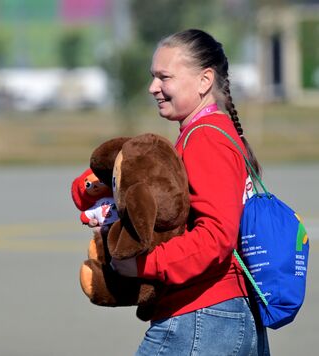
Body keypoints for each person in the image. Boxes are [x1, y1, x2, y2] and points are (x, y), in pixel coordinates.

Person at [109, 29, 270, 355]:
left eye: (163, 77)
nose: (153, 87)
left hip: (202, 317)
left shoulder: (205, 139)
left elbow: (215, 237)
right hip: (221, 315)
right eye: (153, 77)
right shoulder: (212, 133)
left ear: (204, 80)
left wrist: (142, 265)